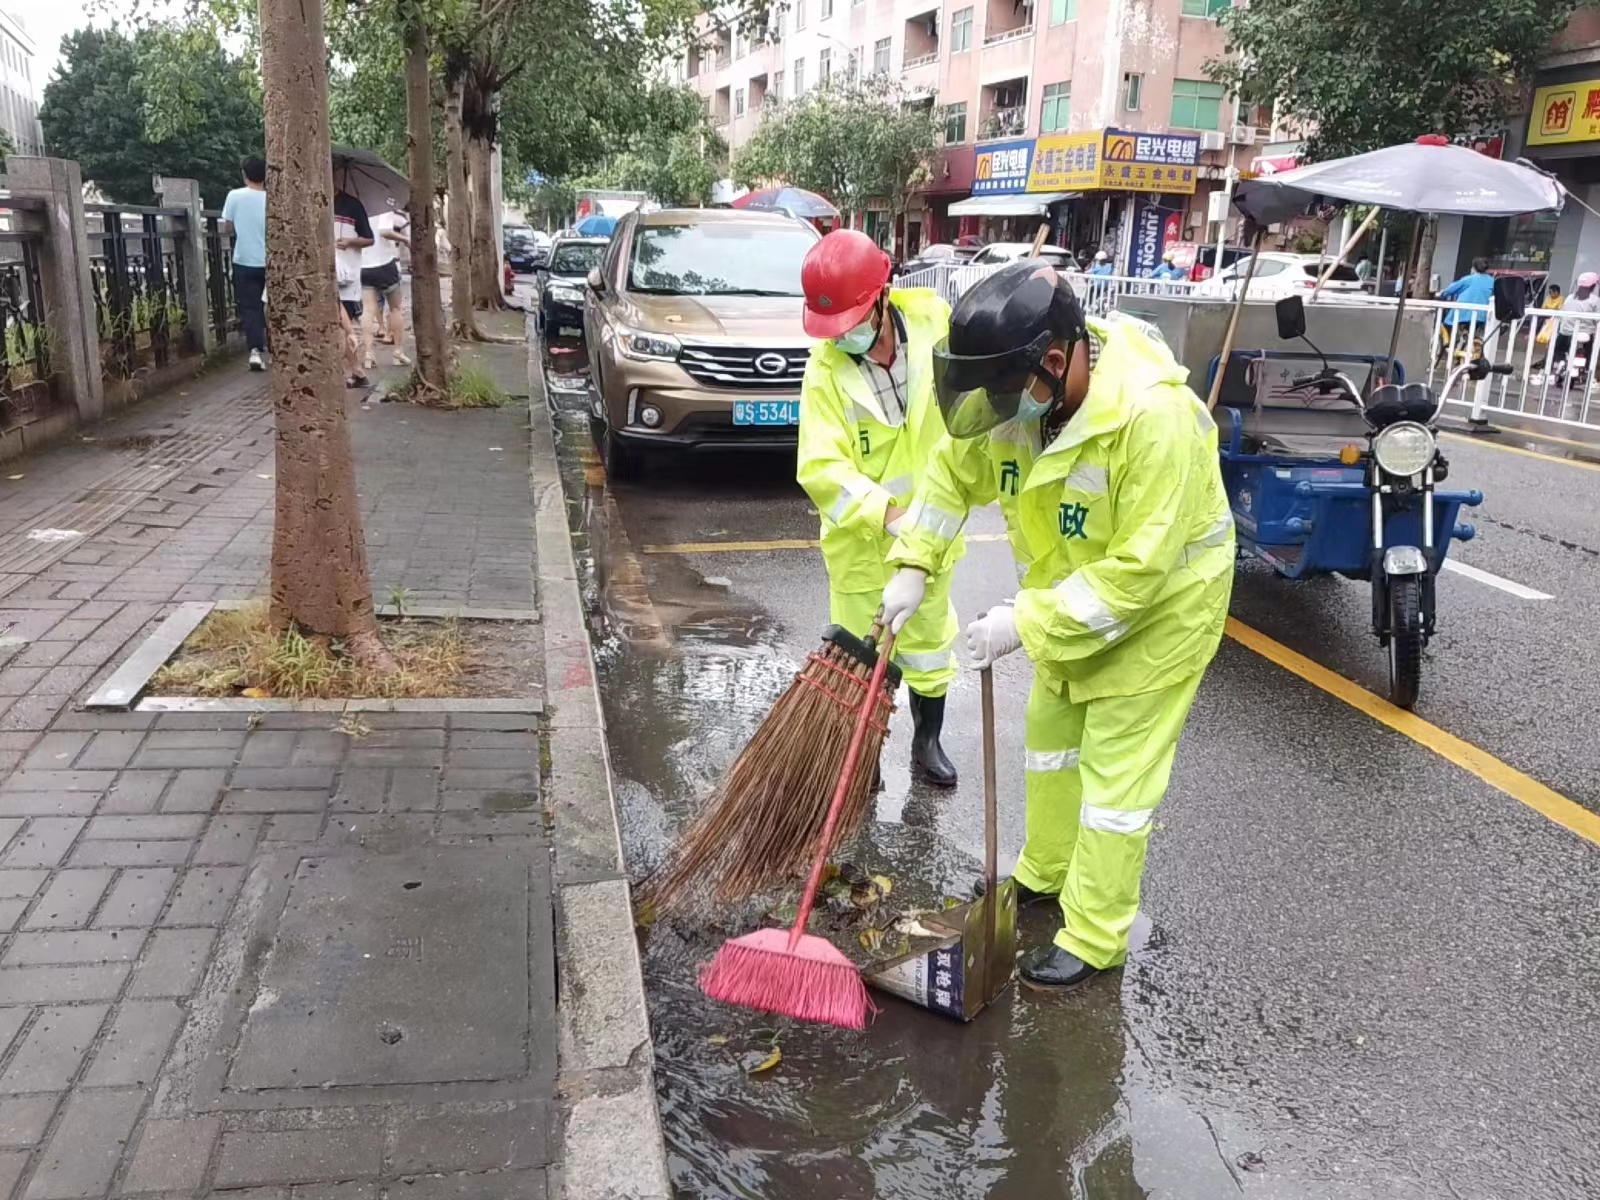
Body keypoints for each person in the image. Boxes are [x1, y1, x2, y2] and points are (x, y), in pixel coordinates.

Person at [879, 259, 1233, 988]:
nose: (998, 412)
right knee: (1050, 744)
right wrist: (914, 562)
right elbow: (952, 471)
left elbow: (1137, 577)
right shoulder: (1018, 401)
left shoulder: (1150, 419)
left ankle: (1097, 936)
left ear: (1055, 361)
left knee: (1113, 785)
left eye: (1007, 394)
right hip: (1067, 605)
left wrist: (1022, 620)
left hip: (1161, 614)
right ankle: (1045, 872)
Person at [797, 229, 962, 787]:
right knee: (858, 659)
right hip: (860, 545)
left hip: (932, 533)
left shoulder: (937, 328)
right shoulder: (824, 370)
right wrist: (889, 515)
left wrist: (923, 529)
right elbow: (821, 468)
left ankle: (926, 740)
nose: (840, 337)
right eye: (832, 329)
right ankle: (858, 758)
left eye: (850, 323)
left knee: (930, 647)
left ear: (882, 297)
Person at [221, 156, 268, 370]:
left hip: (244, 259)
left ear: (244, 174)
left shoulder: (234, 196)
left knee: (251, 307)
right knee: (275, 306)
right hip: (271, 262)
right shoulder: (273, 199)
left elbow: (228, 227)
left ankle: (255, 351)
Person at [333, 178, 374, 388]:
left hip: (346, 277)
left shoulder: (352, 205)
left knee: (342, 325)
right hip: (324, 275)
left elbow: (369, 238)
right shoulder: (312, 201)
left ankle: (356, 371)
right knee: (339, 326)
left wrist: (349, 242)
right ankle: (357, 371)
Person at [360, 204, 411, 370]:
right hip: (385, 264)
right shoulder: (384, 207)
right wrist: (404, 239)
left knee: (368, 310)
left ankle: (368, 355)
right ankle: (398, 352)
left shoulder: (360, 207)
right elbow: (384, 231)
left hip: (364, 266)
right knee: (395, 308)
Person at [1553, 272, 1600, 372]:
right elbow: (1597, 318)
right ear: (1593, 286)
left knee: (1559, 353)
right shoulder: (1595, 300)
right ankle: (1587, 371)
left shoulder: (1570, 297)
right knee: (1590, 351)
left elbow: (1563, 312)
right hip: (1582, 334)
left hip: (1564, 332)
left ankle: (1558, 365)